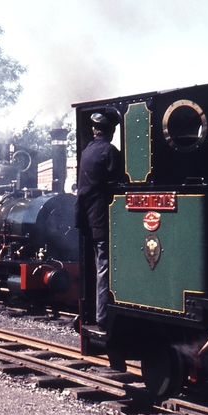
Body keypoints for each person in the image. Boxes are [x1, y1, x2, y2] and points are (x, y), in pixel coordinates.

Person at [75, 113, 123, 332]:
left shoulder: (87, 152)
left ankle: (100, 312)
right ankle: (103, 316)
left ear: (95, 130)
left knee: (100, 264)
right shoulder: (109, 151)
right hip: (103, 219)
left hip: (88, 218)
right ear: (111, 131)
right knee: (104, 266)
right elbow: (118, 183)